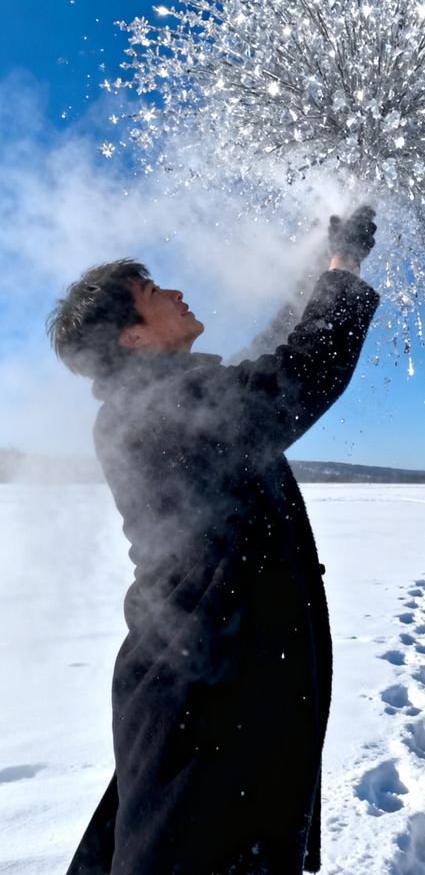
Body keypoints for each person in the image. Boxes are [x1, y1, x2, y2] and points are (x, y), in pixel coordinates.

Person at [48, 206, 378, 875]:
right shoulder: (155, 413)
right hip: (204, 695)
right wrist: (339, 271)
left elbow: (266, 361)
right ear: (133, 338)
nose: (175, 292)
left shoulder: (165, 399)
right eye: (153, 293)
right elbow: (296, 376)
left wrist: (317, 274)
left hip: (214, 679)